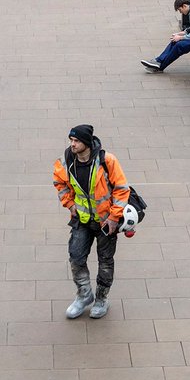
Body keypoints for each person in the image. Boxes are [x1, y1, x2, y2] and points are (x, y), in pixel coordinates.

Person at [53, 124, 129, 319]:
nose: (72, 144)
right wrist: (70, 205)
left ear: (86, 143)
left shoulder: (107, 161)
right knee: (76, 257)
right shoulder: (66, 161)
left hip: (105, 222)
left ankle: (101, 299)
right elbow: (59, 183)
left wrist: (114, 217)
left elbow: (122, 189)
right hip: (81, 219)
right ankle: (84, 295)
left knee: (105, 262)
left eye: (76, 141)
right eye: (71, 140)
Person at [141, 0, 190, 73]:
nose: (181, 12)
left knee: (180, 45)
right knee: (175, 41)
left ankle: (160, 67)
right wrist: (181, 33)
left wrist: (181, 37)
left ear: (184, 6)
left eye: (180, 10)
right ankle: (158, 61)